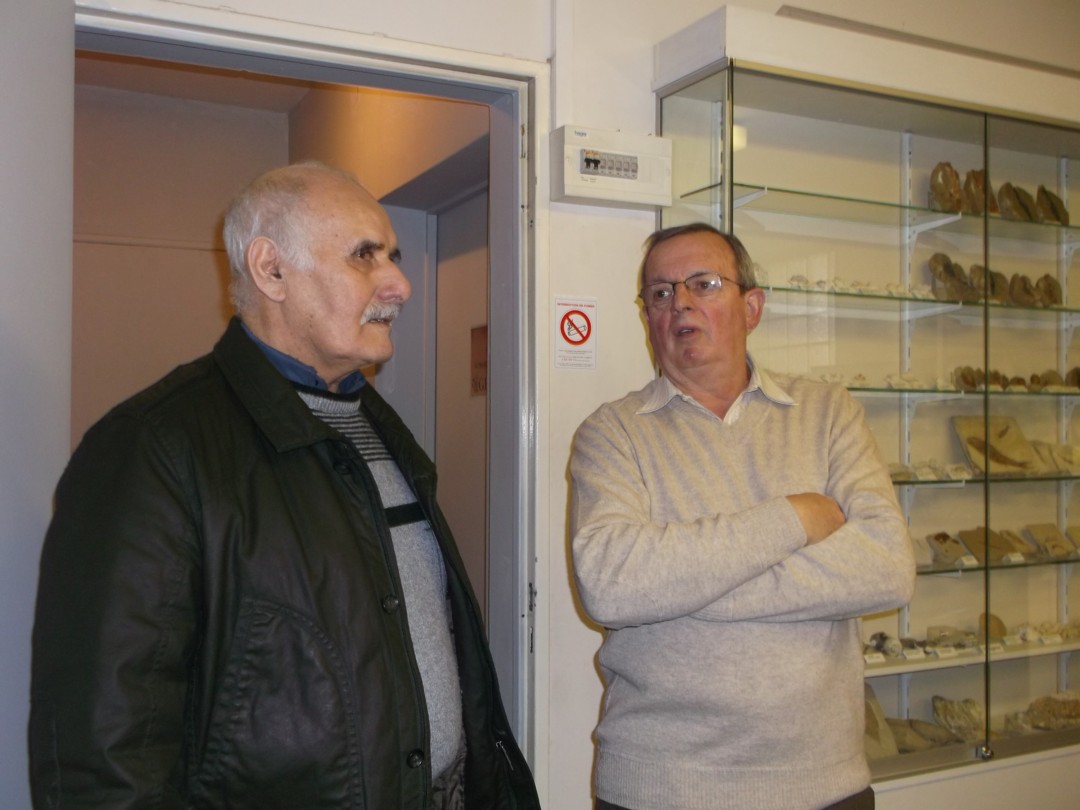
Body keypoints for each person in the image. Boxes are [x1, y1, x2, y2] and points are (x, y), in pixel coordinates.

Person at [29, 161, 539, 810]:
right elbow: (104, 756)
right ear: (271, 270)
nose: (400, 284)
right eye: (365, 255)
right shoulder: (151, 448)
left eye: (393, 256)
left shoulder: (381, 430)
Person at [569, 223, 915, 810]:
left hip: (823, 785)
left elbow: (887, 569)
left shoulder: (828, 413)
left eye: (703, 284)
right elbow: (610, 584)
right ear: (648, 317)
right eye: (660, 292)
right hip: (660, 789)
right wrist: (795, 517)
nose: (680, 303)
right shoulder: (612, 433)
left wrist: (682, 584)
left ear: (751, 307)